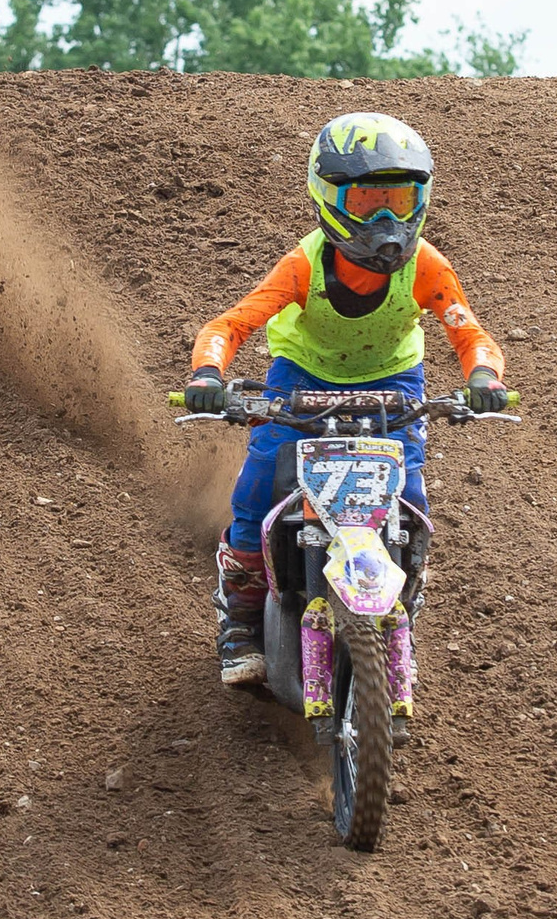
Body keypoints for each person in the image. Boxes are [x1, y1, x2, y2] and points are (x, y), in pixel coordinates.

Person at [182, 112, 508, 685]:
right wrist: (208, 376)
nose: (386, 219)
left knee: (407, 494)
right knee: (261, 484)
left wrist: (483, 378)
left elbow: (469, 333)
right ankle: (241, 617)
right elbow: (230, 325)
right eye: (366, 203)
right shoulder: (303, 265)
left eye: (399, 201)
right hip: (299, 381)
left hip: (394, 381)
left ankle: (405, 582)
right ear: (328, 197)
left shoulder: (428, 266)